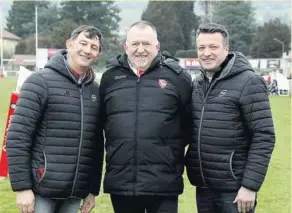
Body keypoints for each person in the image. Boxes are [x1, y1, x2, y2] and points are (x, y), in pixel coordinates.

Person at [6, 25, 104, 213]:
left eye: (93, 47)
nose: (87, 50)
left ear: (97, 53)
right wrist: (22, 187)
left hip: (75, 194)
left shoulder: (96, 91)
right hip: (41, 191)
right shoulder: (39, 82)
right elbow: (18, 136)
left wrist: (92, 189)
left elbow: (96, 145)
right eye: (83, 43)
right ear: (70, 44)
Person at [99, 20, 192, 213]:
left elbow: (189, 125)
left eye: (146, 44)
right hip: (122, 183)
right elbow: (102, 124)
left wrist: (165, 152)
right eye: (135, 44)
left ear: (157, 47)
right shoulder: (110, 78)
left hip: (164, 183)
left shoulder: (177, 77)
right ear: (126, 46)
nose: (140, 49)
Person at [185, 23, 275, 213]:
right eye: (201, 47)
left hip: (235, 190)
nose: (206, 52)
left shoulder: (249, 81)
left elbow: (264, 135)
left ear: (226, 48)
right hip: (203, 187)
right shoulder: (198, 82)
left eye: (213, 47)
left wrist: (250, 186)